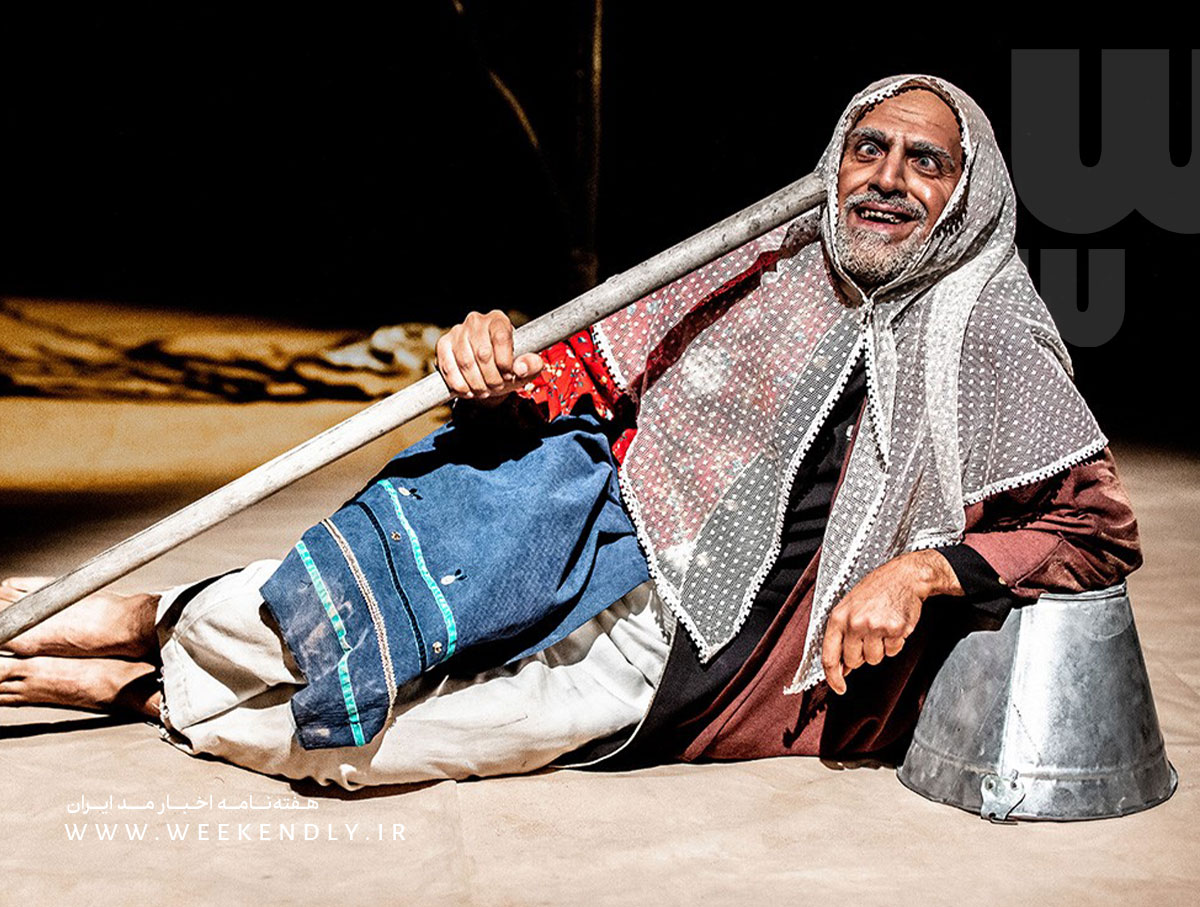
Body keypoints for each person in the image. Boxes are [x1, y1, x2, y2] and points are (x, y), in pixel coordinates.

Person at [0, 74, 1142, 788]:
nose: (884, 179)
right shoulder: (764, 265)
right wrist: (495, 365)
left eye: (923, 160)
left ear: (968, 191)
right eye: (867, 148)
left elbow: (1094, 530)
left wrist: (922, 569)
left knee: (371, 753)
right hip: (583, 548)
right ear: (834, 162)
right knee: (302, 628)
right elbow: (578, 375)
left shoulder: (994, 333)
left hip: (706, 670)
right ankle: (132, 618)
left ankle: (128, 686)